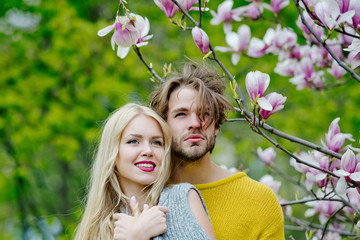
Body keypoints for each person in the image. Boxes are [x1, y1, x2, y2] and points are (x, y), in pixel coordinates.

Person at [149, 62, 285, 239]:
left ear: (216, 125)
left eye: (205, 113)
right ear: (163, 125)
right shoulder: (144, 195)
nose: (195, 123)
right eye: (181, 114)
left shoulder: (259, 200)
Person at [74, 103, 216, 239]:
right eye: (133, 141)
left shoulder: (183, 198)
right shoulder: (97, 227)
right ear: (113, 151)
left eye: (156, 142)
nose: (148, 151)